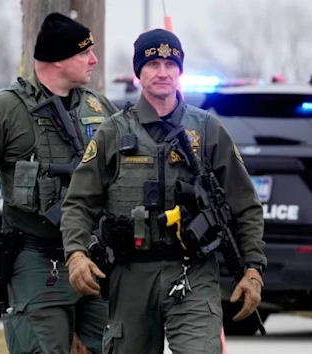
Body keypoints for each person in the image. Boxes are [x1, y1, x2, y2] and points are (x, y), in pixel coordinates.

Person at [60, 29, 267, 354]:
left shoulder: (207, 129)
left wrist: (253, 270)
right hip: (130, 275)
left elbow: (245, 205)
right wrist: (75, 255)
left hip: (193, 271)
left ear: (180, 71)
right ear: (138, 71)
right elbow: (79, 203)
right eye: (153, 63)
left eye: (171, 64)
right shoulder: (113, 131)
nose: (163, 72)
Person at [0, 12, 119, 354]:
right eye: (83, 52)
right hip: (37, 259)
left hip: (96, 258)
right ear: (57, 60)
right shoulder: (5, 110)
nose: (94, 59)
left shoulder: (99, 108)